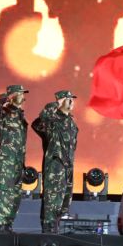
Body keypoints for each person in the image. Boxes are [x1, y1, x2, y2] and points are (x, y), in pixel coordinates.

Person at [32, 90, 79, 233]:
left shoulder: (71, 121)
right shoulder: (52, 119)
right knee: (53, 199)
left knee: (65, 199)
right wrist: (56, 104)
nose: (71, 101)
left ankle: (60, 227)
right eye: (68, 99)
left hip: (68, 164)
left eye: (72, 99)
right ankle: (49, 229)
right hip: (55, 164)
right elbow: (40, 119)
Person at [0, 84, 28, 232]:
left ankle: (8, 223)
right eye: (20, 93)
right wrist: (6, 99)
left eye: (23, 94)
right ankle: (0, 224)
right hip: (7, 158)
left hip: (19, 160)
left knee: (16, 194)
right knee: (5, 192)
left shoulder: (19, 114)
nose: (23, 96)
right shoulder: (3, 114)